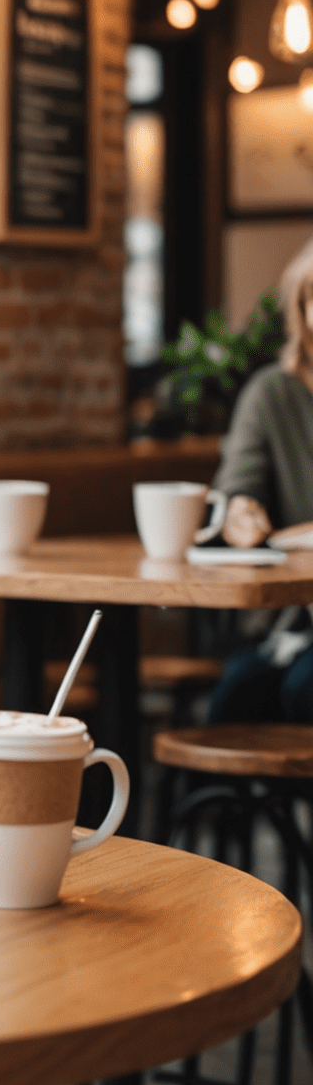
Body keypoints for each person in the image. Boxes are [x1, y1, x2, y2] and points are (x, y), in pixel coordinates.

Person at [206, 236, 313, 723]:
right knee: (234, 700)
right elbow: (236, 491)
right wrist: (240, 514)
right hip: (292, 622)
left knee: (300, 690)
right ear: (302, 312)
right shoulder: (273, 394)